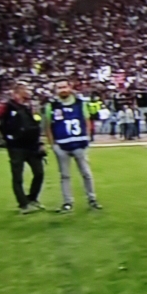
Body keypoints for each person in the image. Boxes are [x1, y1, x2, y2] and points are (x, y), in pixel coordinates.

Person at [44, 78, 102, 213]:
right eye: (59, 88)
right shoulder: (51, 106)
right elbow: (48, 126)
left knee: (86, 173)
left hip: (79, 144)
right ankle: (67, 202)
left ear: (70, 88)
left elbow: (87, 121)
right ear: (55, 90)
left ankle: (92, 199)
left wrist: (87, 138)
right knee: (65, 175)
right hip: (62, 145)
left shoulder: (80, 103)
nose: (63, 90)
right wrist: (53, 145)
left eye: (64, 87)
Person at [0, 83, 46, 214]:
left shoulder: (29, 106)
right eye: (26, 89)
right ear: (18, 92)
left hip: (32, 145)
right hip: (16, 147)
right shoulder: (6, 106)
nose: (29, 92)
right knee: (18, 176)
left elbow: (35, 125)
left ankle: (32, 199)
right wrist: (1, 136)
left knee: (39, 173)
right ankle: (23, 204)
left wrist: (40, 142)